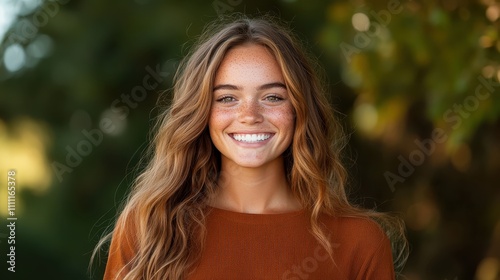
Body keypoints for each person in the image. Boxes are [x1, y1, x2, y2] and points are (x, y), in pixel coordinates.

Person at [95, 15, 409, 280]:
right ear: (202, 111)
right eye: (227, 98)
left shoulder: (359, 241)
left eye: (272, 97)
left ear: (300, 108)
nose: (249, 116)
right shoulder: (150, 228)